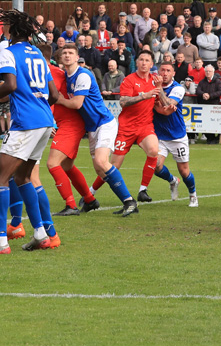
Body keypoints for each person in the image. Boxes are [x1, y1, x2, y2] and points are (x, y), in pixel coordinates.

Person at [0, 10, 61, 254]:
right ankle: (41, 234)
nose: (4, 30)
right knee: (22, 177)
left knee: (0, 178)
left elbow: (10, 85)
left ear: (14, 31)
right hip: (45, 121)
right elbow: (54, 95)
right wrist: (39, 108)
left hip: (26, 123)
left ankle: (0, 242)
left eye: (7, 26)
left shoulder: (9, 52)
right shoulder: (40, 56)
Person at [53, 44, 137, 216]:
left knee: (101, 162)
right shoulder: (67, 77)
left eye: (71, 53)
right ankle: (108, 200)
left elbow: (77, 103)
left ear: (77, 57)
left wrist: (59, 100)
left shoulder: (83, 75)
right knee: (100, 169)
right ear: (61, 58)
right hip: (92, 127)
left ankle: (130, 201)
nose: (67, 56)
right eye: (65, 53)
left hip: (104, 122)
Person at [89, 51, 162, 205]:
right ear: (137, 62)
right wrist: (143, 96)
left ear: (151, 64)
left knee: (154, 150)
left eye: (147, 60)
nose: (143, 62)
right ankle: (90, 192)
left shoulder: (155, 81)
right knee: (113, 166)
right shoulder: (129, 80)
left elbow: (164, 102)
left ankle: (143, 190)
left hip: (145, 126)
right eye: (141, 59)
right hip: (126, 127)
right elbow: (123, 101)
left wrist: (160, 88)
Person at [45, 46, 93, 217]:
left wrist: (47, 122)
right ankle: (89, 199)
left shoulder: (52, 73)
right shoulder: (55, 72)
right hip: (69, 122)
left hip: (70, 124)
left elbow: (50, 98)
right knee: (67, 166)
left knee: (52, 164)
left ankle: (71, 205)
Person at [151, 61, 199, 206]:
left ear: (173, 73)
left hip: (177, 136)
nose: (164, 73)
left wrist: (159, 90)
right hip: (159, 136)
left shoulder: (178, 88)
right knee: (156, 166)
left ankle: (193, 194)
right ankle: (172, 180)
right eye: (162, 70)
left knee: (184, 171)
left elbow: (168, 103)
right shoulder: (152, 86)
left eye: (168, 71)